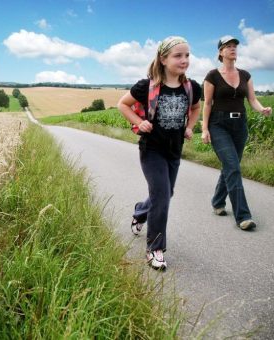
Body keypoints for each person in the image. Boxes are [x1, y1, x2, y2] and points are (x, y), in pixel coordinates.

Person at [117, 36, 201, 270]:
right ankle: (155, 249)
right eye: (178, 55)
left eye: (187, 55)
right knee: (162, 196)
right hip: (151, 149)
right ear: (163, 59)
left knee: (166, 193)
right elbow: (122, 104)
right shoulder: (147, 86)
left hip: (174, 150)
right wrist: (139, 121)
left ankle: (140, 212)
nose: (184, 60)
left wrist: (190, 126)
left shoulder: (192, 87)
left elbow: (195, 108)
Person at [201, 35, 272, 230]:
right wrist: (205, 129)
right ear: (220, 52)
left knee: (230, 166)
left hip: (240, 125)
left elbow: (252, 99)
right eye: (228, 46)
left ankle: (217, 201)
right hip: (218, 124)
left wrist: (262, 109)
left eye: (235, 46)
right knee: (233, 167)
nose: (233, 49)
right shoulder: (212, 76)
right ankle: (243, 216)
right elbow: (207, 103)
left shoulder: (246, 75)